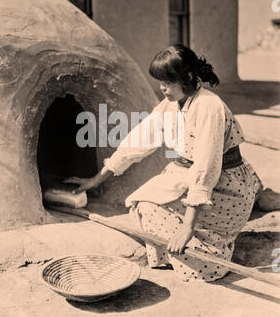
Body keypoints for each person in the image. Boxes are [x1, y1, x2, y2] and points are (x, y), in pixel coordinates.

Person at [66, 44, 262, 282]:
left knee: (167, 218)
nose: (162, 89)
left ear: (188, 77)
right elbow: (138, 141)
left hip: (225, 188)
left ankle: (209, 253)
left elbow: (206, 168)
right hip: (192, 174)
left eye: (167, 83)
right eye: (160, 83)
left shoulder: (209, 106)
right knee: (144, 206)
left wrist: (187, 227)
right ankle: (183, 251)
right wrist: (96, 179)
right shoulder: (170, 106)